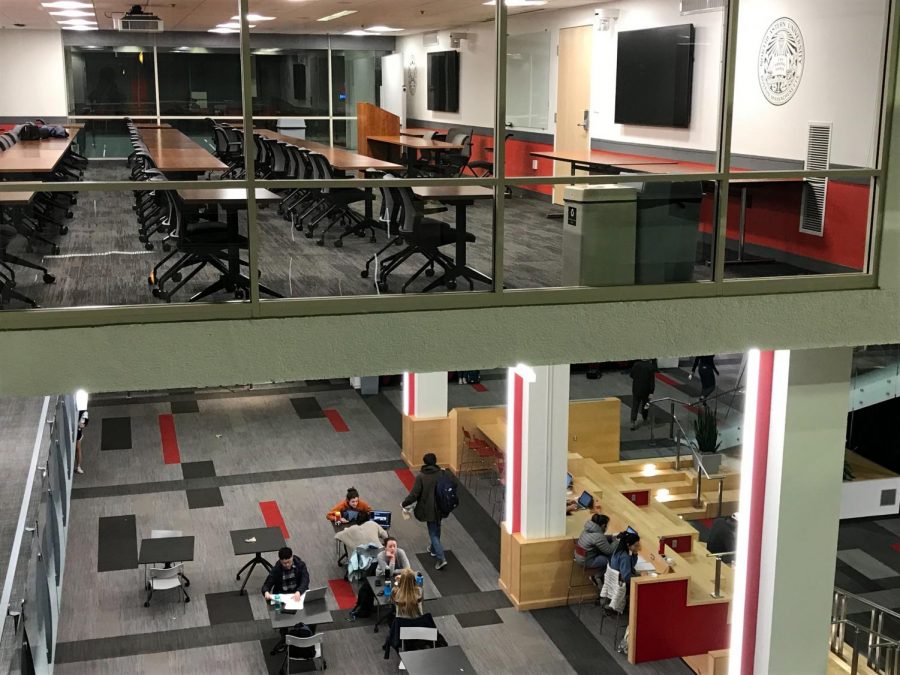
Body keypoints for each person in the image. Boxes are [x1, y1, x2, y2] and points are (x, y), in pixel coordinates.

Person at [401, 452, 459, 571]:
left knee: (433, 532)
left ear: (425, 462)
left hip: (428, 509)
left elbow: (414, 494)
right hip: (442, 506)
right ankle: (433, 548)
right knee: (437, 526)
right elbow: (454, 484)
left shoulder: (421, 476)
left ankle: (441, 558)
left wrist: (404, 503)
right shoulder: (442, 473)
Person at [348, 537, 412, 620]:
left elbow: (408, 569)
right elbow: (389, 573)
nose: (393, 548)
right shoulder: (381, 556)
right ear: (385, 548)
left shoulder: (400, 552)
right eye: (390, 546)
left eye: (394, 546)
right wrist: (392, 560)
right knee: (373, 589)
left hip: (397, 578)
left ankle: (404, 609)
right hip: (382, 576)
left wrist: (396, 571)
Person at [575, 514, 616, 580]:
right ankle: (597, 577)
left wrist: (611, 537)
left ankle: (597, 577)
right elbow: (609, 550)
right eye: (606, 526)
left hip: (579, 556)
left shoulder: (587, 530)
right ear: (603, 526)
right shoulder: (598, 536)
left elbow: (599, 539)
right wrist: (617, 541)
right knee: (611, 559)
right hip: (587, 561)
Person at [629, 359, 657, 430]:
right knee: (645, 405)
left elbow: (631, 375)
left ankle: (633, 422)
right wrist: (651, 392)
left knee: (635, 405)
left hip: (636, 389)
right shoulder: (650, 367)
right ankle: (645, 418)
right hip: (646, 390)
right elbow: (652, 381)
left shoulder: (636, 364)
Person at [75, 410, 89, 475]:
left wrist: (77, 425)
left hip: (78, 433)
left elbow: (84, 424)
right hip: (77, 432)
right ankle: (78, 466)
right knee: (77, 450)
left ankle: (78, 466)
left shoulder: (84, 412)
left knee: (78, 449)